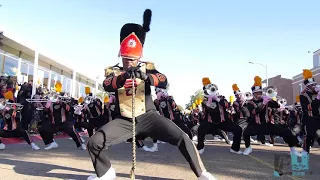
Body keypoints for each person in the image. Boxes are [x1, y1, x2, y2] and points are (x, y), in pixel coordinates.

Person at [86, 9, 216, 180]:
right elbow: (106, 85)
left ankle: (202, 174)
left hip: (149, 116)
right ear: (121, 54)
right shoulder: (113, 70)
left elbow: (163, 80)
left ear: (139, 55)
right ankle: (105, 173)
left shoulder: (147, 67)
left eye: (133, 58)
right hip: (124, 120)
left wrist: (147, 78)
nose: (129, 62)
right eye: (126, 58)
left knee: (183, 137)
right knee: (93, 143)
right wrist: (122, 78)